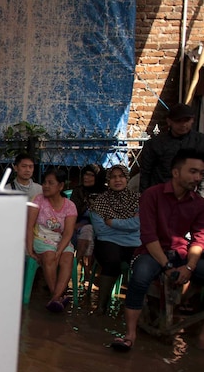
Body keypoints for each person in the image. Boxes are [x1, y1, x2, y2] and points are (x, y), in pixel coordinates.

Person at [110, 149, 204, 352]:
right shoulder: (152, 195)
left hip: (182, 254)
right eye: (193, 171)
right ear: (176, 172)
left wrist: (190, 266)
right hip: (150, 253)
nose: (197, 177)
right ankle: (130, 334)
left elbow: (199, 239)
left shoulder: (199, 203)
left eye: (201, 173)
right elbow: (149, 237)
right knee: (140, 277)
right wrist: (167, 266)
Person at [89, 164, 140, 313]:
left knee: (143, 264)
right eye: (113, 177)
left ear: (127, 178)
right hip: (108, 241)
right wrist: (128, 226)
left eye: (121, 176)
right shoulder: (99, 202)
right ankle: (101, 307)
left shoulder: (137, 199)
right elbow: (101, 230)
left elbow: (138, 224)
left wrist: (113, 222)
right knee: (112, 261)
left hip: (134, 241)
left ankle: (137, 308)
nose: (117, 180)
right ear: (108, 180)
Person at [26, 168, 77, 312]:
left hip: (61, 240)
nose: (46, 186)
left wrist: (59, 250)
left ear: (61, 186)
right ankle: (57, 297)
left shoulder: (70, 206)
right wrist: (30, 249)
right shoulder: (38, 200)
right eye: (44, 182)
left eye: (51, 183)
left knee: (67, 258)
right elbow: (29, 226)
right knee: (49, 256)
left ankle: (55, 298)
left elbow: (68, 233)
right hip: (41, 238)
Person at [139, 103, 204, 192]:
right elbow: (145, 172)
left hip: (192, 192)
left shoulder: (200, 141)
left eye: (186, 120)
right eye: (178, 121)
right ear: (169, 121)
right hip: (162, 192)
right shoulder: (155, 143)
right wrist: (145, 196)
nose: (183, 124)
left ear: (192, 120)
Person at [69, 164, 103, 283]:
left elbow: (105, 216)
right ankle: (86, 270)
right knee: (87, 231)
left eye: (91, 175)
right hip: (78, 227)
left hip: (100, 228)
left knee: (89, 230)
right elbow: (73, 212)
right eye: (85, 174)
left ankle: (76, 264)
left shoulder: (104, 193)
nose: (86, 178)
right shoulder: (78, 191)